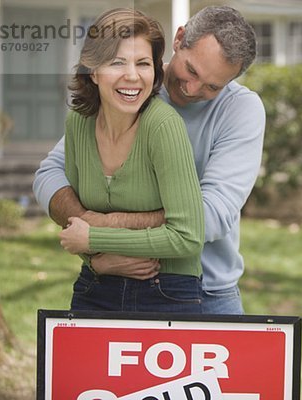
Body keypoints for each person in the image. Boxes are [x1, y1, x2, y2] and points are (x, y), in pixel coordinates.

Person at [33, 6, 265, 314]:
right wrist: (96, 250)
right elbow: (50, 174)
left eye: (213, 86)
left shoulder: (240, 110)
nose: (193, 89)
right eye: (192, 71)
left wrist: (102, 230)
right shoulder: (133, 89)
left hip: (208, 290)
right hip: (110, 278)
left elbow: (210, 215)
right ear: (179, 39)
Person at [56, 8, 205, 312]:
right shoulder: (78, 123)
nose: (133, 76)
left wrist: (96, 240)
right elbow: (76, 226)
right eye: (117, 62)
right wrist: (98, 261)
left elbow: (189, 237)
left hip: (167, 288)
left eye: (143, 64)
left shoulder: (163, 126)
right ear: (93, 71)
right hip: (96, 283)